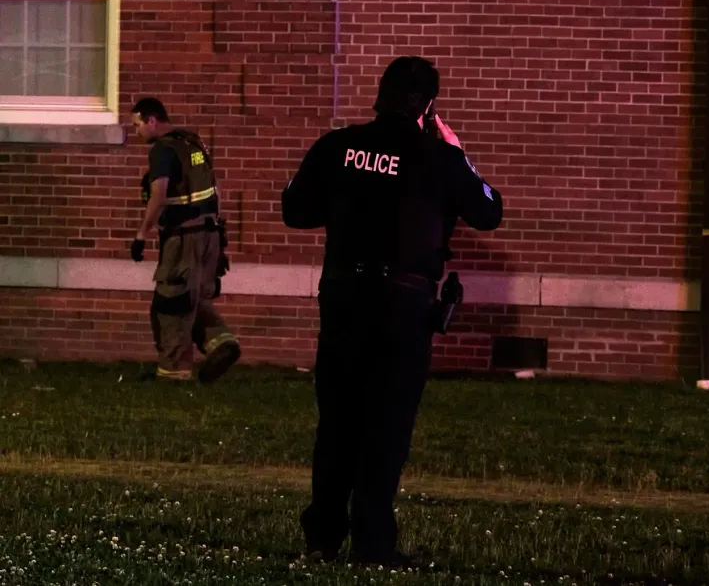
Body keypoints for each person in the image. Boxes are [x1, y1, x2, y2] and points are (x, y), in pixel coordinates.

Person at [282, 56, 503, 566]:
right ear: (428, 107)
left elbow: (295, 209)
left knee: (337, 421)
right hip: (404, 306)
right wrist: (457, 152)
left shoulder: (337, 146)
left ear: (380, 95)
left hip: (343, 300)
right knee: (387, 425)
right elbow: (488, 210)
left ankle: (322, 539)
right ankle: (373, 543)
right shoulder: (440, 157)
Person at [130, 97, 241, 383]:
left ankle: (174, 372)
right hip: (210, 234)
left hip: (184, 238)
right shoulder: (193, 143)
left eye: (137, 125)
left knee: (171, 302)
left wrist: (141, 234)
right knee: (192, 299)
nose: (136, 131)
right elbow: (216, 190)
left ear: (152, 120)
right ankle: (221, 341)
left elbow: (158, 195)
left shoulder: (163, 150)